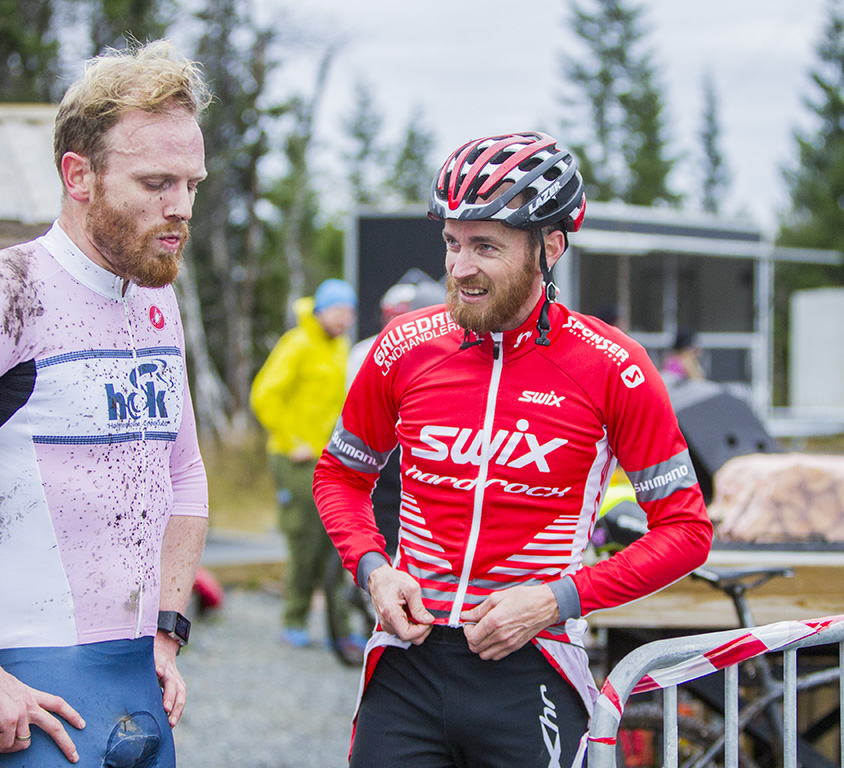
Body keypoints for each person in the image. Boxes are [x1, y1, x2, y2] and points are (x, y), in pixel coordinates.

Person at [313, 131, 714, 767]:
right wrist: (374, 568)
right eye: (452, 242)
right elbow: (340, 476)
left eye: (485, 246)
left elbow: (686, 532)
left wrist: (557, 600)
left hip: (534, 661)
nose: (459, 268)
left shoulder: (614, 366)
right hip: (408, 665)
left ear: (548, 247)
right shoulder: (403, 347)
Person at [0, 40, 210, 766]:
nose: (180, 208)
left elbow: (183, 473)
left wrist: (167, 628)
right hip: (15, 683)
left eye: (191, 184)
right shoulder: (0, 294)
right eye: (156, 182)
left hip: (134, 675)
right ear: (79, 175)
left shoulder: (157, 300)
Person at [250, 278, 356, 648]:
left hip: (330, 457)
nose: (344, 319)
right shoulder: (297, 343)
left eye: (349, 312)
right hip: (294, 459)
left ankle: (339, 629)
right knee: (303, 540)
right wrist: (292, 440)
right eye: (338, 310)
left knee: (335, 542)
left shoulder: (341, 347)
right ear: (321, 310)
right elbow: (264, 395)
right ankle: (294, 619)